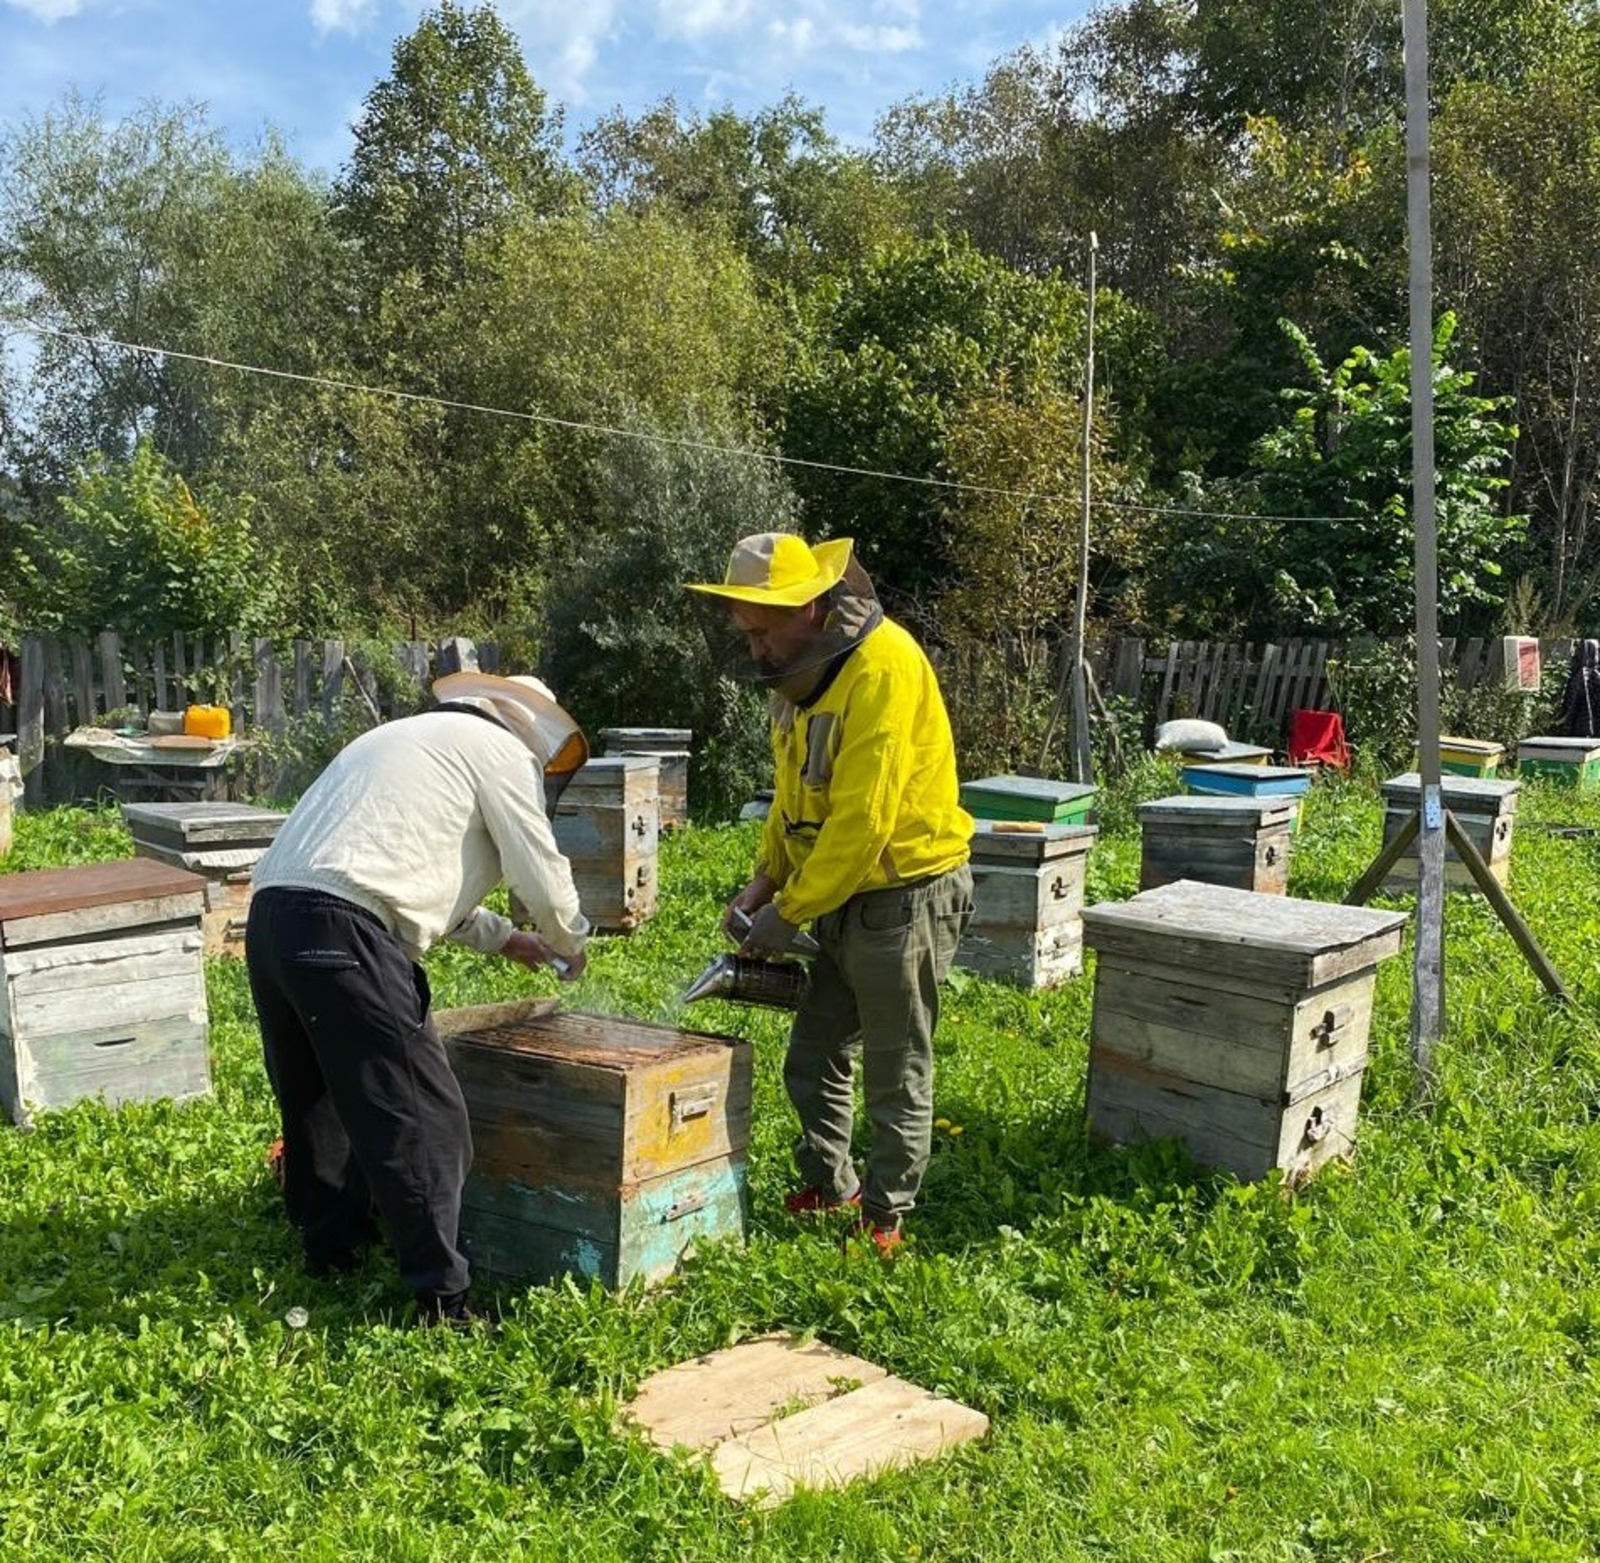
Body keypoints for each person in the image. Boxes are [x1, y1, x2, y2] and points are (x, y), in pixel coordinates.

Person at [246, 671, 590, 1323]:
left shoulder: (408, 741)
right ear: (528, 728)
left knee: (318, 1099)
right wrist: (569, 939)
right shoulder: (502, 753)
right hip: (345, 928)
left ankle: (331, 1252)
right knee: (426, 1118)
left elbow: (402, 866)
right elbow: (540, 875)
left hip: (271, 919)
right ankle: (444, 1300)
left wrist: (507, 939)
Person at [687, 532, 974, 1253]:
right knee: (812, 1057)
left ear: (811, 607)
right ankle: (830, 1183)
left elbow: (863, 821)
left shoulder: (883, 666)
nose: (755, 649)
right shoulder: (796, 679)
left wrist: (786, 914)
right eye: (745, 633)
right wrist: (765, 881)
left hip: (904, 895)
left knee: (894, 1063)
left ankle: (884, 1218)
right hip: (836, 896)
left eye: (763, 630)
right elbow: (794, 800)